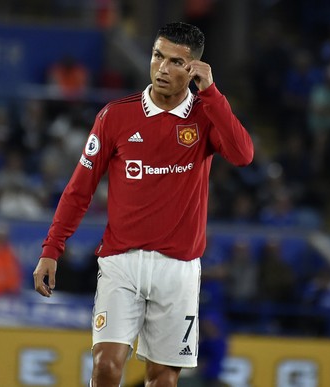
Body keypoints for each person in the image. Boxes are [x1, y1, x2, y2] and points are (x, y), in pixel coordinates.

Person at [32, 22, 253, 386]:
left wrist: (212, 94)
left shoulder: (205, 115)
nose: (162, 68)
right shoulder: (116, 116)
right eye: (157, 56)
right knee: (106, 365)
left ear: (193, 68)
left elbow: (243, 155)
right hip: (122, 262)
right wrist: (51, 249)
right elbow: (79, 189)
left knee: (163, 379)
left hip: (179, 269)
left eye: (175, 62)